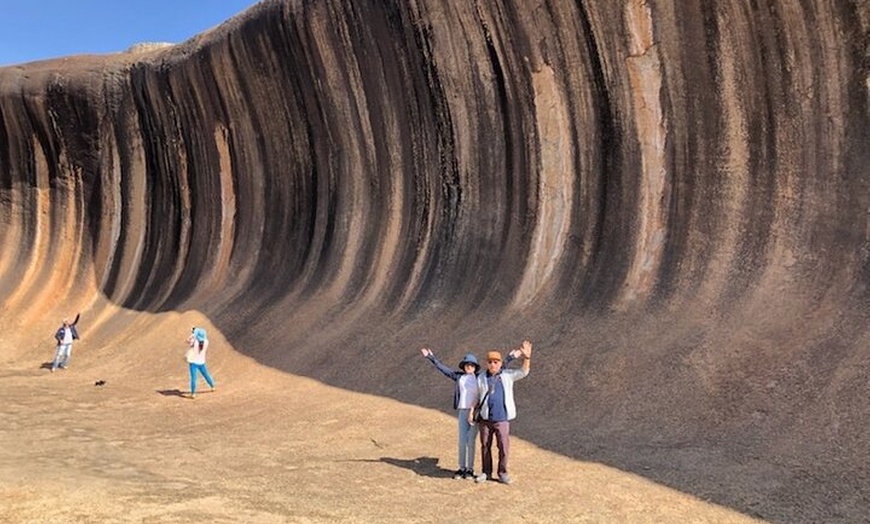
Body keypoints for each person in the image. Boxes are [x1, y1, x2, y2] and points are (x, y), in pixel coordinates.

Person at [473, 340, 532, 485]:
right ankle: (486, 472)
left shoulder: (507, 375)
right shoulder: (481, 377)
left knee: (503, 447)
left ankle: (503, 473)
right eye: (490, 362)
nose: (493, 364)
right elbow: (477, 396)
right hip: (485, 418)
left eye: (496, 362)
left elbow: (524, 372)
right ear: (487, 363)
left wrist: (527, 358)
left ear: (500, 363)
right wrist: (471, 412)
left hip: (502, 419)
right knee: (485, 447)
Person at [421, 347, 481, 479]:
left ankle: (470, 469)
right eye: (466, 365)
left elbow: (497, 371)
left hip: (475, 413)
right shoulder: (459, 377)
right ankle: (461, 468)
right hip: (462, 412)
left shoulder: (479, 378)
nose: (469, 367)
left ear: (475, 367)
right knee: (461, 441)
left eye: (471, 365)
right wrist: (431, 357)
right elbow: (443, 369)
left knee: (471, 441)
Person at [186, 327, 215, 399]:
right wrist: (195, 334)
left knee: (194, 378)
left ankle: (193, 394)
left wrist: (192, 334)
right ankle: (212, 386)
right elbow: (200, 340)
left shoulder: (194, 342)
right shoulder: (206, 342)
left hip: (193, 363)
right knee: (206, 375)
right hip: (202, 362)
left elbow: (187, 340)